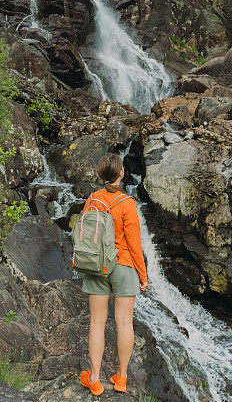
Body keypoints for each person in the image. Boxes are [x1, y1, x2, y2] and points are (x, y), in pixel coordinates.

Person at [79, 154, 148, 396]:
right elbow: (135, 243)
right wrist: (143, 275)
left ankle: (95, 379)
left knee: (97, 322)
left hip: (97, 265)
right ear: (121, 174)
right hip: (125, 265)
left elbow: (83, 235)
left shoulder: (93, 199)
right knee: (124, 323)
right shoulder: (128, 203)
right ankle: (121, 377)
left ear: (101, 175)